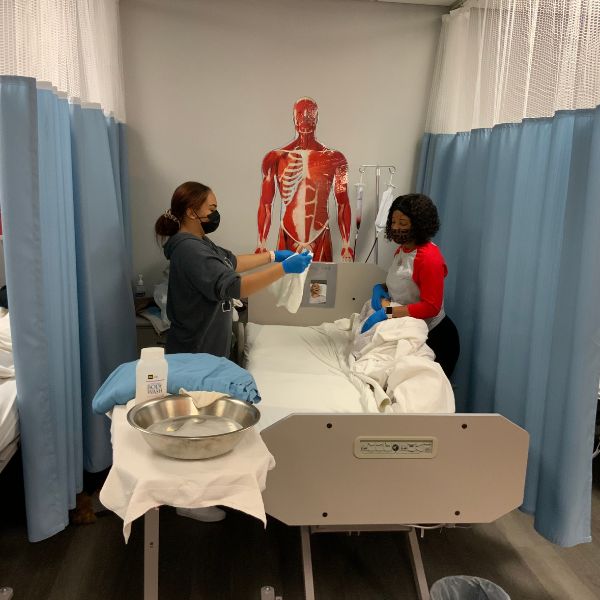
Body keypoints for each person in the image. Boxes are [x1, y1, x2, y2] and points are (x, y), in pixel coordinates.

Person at [155, 181, 312, 358]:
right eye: (211, 209)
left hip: (205, 349)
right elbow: (237, 287)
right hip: (196, 352)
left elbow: (232, 261)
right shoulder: (190, 250)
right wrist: (284, 268)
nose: (215, 215)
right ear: (191, 212)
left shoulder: (200, 242)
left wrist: (273, 256)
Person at [361, 193, 460, 378]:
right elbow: (404, 283)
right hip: (409, 327)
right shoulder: (403, 250)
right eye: (393, 222)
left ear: (419, 224)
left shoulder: (429, 258)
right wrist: (380, 288)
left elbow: (431, 306)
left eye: (403, 223)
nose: (396, 227)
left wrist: (387, 313)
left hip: (435, 337)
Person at [254, 97, 354, 262]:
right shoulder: (275, 158)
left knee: (319, 285)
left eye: (310, 113)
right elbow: (266, 204)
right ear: (294, 118)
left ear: (317, 118)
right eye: (300, 113)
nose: (305, 118)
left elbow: (343, 202)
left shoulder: (336, 159)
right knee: (285, 285)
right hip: (288, 233)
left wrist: (346, 243)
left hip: (320, 233)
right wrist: (261, 243)